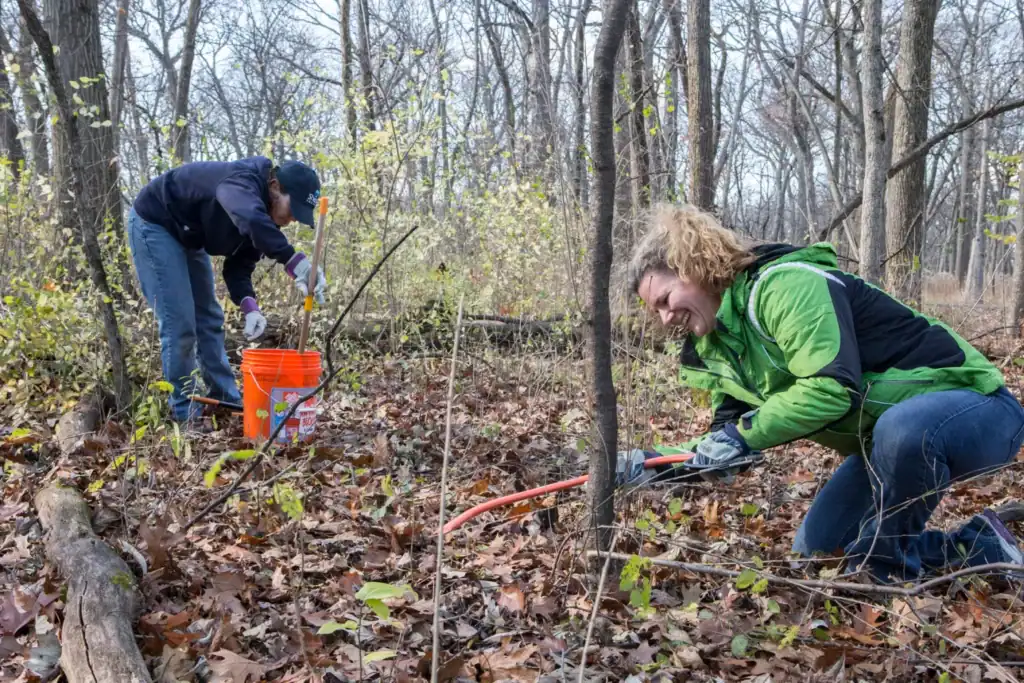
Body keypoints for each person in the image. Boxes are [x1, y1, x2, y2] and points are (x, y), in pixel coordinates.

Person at [616, 202, 1024, 584]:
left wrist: (741, 435)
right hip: (885, 441)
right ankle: (983, 547)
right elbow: (725, 441)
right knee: (817, 554)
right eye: (656, 311)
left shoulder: (784, 286)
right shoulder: (722, 348)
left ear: (695, 267)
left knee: (903, 432)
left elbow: (830, 388)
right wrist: (651, 466)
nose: (667, 317)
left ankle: (883, 579)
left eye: (666, 299)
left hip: (980, 412)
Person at [127, 156, 328, 424]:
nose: (292, 220)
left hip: (190, 237)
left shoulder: (263, 217)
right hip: (156, 224)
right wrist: (296, 263)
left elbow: (239, 266)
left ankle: (226, 399)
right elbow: (250, 220)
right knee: (180, 323)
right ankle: (185, 411)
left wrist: (250, 308)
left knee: (210, 318)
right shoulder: (241, 182)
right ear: (276, 186)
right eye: (294, 210)